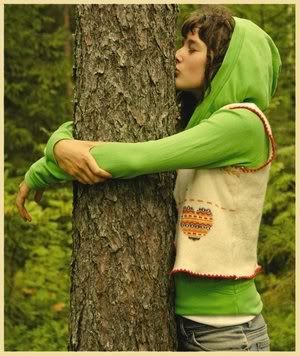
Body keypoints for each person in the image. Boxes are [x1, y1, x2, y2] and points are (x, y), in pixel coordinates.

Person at [16, 6, 281, 352]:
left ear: (226, 63)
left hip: (228, 333)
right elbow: (93, 135)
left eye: (191, 47)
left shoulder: (243, 125)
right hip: (189, 325)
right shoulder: (198, 123)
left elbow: (135, 158)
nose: (177, 55)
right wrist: (60, 145)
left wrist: (52, 158)